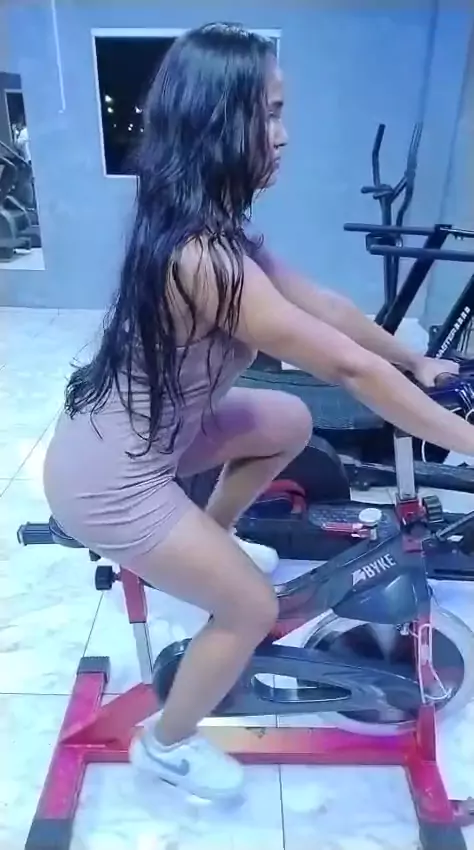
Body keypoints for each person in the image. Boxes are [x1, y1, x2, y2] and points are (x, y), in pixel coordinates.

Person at [43, 22, 473, 802]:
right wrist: (466, 439)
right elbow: (344, 366)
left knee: (287, 421)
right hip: (110, 477)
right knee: (249, 607)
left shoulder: (217, 228)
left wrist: (413, 360)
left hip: (159, 434)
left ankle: (207, 539)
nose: (284, 134)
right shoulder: (201, 258)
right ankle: (167, 744)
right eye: (269, 113)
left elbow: (325, 306)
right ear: (217, 120)